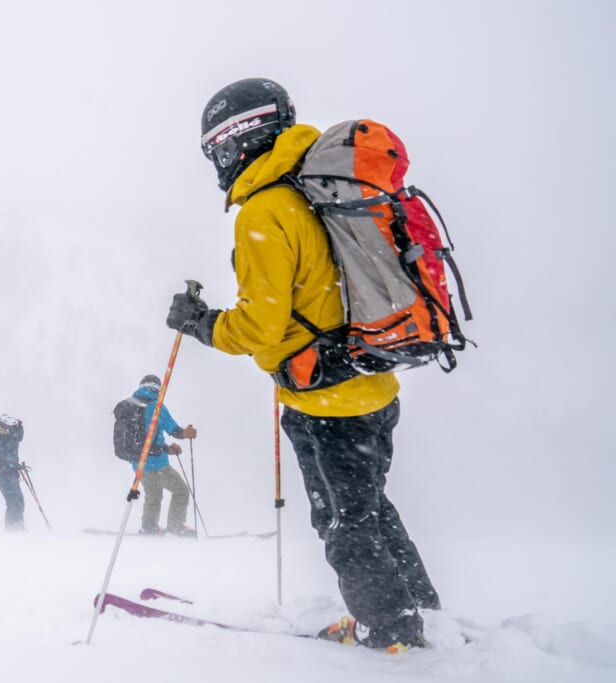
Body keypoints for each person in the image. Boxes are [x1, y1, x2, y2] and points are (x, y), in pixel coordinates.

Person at [165, 78, 439, 651]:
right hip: (371, 381)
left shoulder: (265, 210)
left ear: (239, 140)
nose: (216, 161)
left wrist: (200, 323)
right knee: (369, 507)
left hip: (325, 403)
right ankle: (417, 609)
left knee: (344, 523)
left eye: (216, 148)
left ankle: (392, 631)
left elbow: (259, 326)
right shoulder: (314, 190)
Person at [127, 375, 198, 537]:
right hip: (157, 464)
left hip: (139, 464)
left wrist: (167, 449)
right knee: (181, 491)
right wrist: (184, 433)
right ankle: (176, 526)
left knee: (153, 494)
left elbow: (147, 438)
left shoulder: (132, 405)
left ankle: (149, 526)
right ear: (158, 389)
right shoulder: (155, 406)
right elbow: (171, 428)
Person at [0, 413, 25, 531]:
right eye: (5, 426)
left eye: (8, 427)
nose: (7, 429)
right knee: (13, 504)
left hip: (10, 475)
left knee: (19, 502)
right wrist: (13, 466)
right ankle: (12, 530)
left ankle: (18, 527)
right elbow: (4, 458)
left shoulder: (7, 436)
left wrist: (19, 426)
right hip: (2, 477)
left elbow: (18, 437)